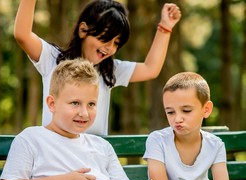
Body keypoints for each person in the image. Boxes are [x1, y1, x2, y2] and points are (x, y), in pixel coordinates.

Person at [0, 58, 211, 180]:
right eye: (75, 103)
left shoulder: (100, 145)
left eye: (91, 104)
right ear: (52, 103)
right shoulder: (32, 138)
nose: (84, 112)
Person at [14, 0, 181, 136]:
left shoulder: (109, 71)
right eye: (104, 39)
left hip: (95, 158)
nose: (109, 48)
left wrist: (165, 28)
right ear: (83, 30)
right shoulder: (53, 60)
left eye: (116, 43)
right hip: (56, 156)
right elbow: (22, 34)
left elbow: (150, 69)